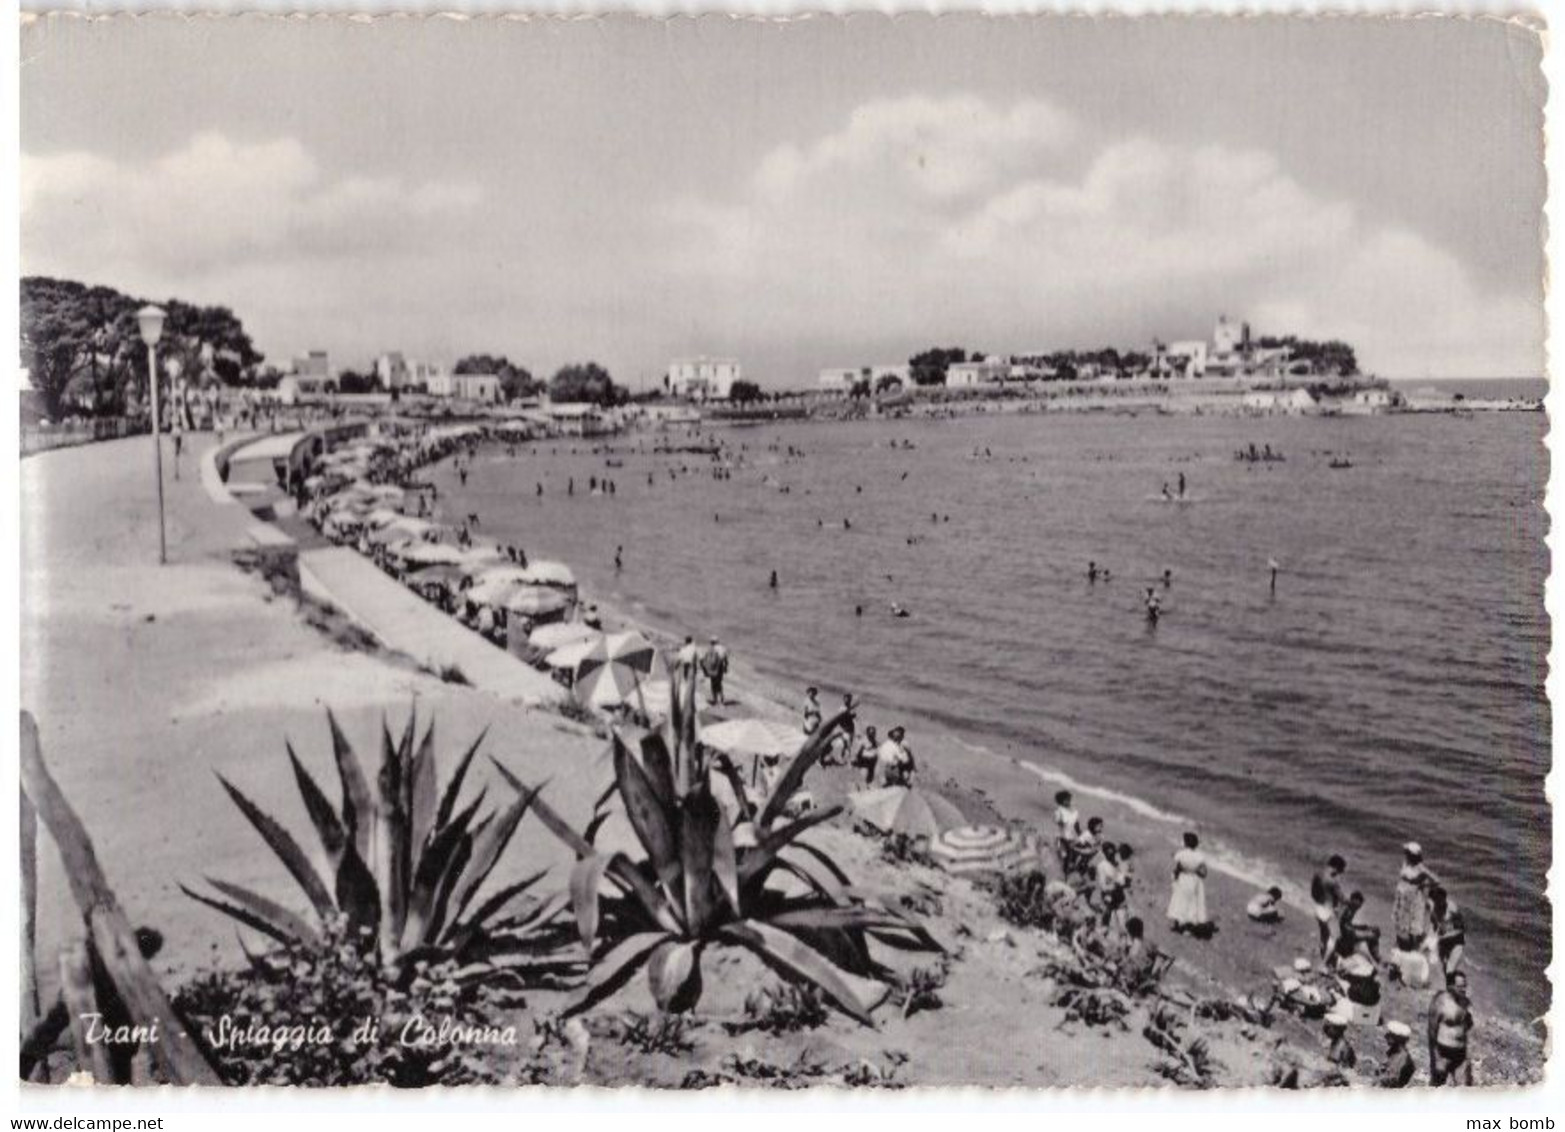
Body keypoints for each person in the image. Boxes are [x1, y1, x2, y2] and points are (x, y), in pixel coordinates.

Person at [1428, 970, 1473, 1085]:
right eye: (1460, 987)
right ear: (1450, 986)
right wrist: (1435, 1057)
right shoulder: (1440, 1002)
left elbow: (1468, 1025)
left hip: (1460, 1053)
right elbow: (1432, 1030)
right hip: (1443, 1052)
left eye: (1465, 986)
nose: (1464, 989)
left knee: (1464, 1088)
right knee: (1437, 1086)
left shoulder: (1465, 1003)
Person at [1392, 842, 1439, 952]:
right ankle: (1402, 943)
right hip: (1402, 895)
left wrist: (1422, 885)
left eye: (1407, 852)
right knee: (1401, 920)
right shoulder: (1406, 863)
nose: (1405, 854)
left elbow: (1436, 880)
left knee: (1413, 923)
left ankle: (1415, 947)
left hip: (1413, 897)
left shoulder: (1420, 868)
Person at [1167, 831, 1211, 936]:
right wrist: (1196, 871)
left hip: (1183, 879)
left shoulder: (1181, 854)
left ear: (1185, 843)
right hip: (1194, 881)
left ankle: (1176, 924)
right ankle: (1188, 928)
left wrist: (1175, 877)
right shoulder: (1199, 856)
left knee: (1179, 900)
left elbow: (1178, 868)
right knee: (1191, 903)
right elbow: (1204, 873)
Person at [1312, 854, 1348, 958]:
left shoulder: (1318, 874)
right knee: (1334, 938)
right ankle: (1324, 963)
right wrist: (1351, 902)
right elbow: (1342, 899)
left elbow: (1313, 893)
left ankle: (1322, 954)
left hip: (1318, 908)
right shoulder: (1333, 881)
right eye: (1341, 869)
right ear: (1336, 867)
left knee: (1324, 935)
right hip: (1328, 911)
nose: (1341, 872)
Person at [1429, 885, 1467, 983]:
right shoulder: (1433, 909)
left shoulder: (1452, 908)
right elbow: (1435, 927)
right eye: (1436, 900)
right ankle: (1454, 988)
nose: (1439, 902)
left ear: (1445, 898)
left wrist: (1447, 933)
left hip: (1456, 941)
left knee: (1450, 968)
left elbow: (1462, 928)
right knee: (1445, 968)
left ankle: (1456, 988)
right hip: (1443, 943)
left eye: (1441, 899)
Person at [1377, 1021, 1416, 1087]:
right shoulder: (1392, 1052)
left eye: (1390, 1035)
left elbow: (1392, 1081)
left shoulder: (1403, 1059)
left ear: (1397, 1039)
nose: (1385, 1036)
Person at [1053, 790, 1081, 864]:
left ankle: (1069, 866)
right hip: (1061, 836)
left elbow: (1076, 823)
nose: (1069, 802)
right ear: (1061, 801)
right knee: (1064, 855)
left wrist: (1079, 833)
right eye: (1067, 800)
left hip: (1071, 836)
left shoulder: (1074, 811)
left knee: (1073, 853)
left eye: (1069, 800)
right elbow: (1059, 823)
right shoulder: (1058, 811)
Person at [700, 637, 729, 705]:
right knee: (719, 683)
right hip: (720, 668)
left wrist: (705, 668)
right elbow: (726, 660)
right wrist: (725, 668)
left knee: (713, 683)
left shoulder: (711, 649)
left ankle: (715, 699)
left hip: (713, 668)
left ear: (712, 642)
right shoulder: (723, 648)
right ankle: (721, 699)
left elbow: (705, 658)